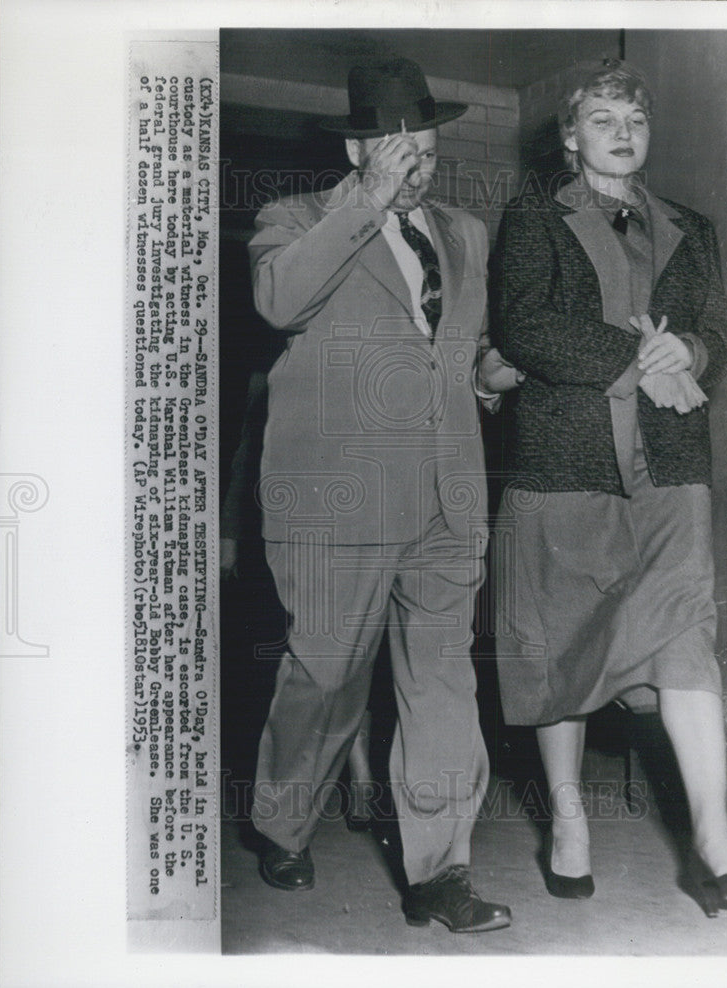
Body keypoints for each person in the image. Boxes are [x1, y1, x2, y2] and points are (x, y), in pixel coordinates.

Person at [482, 58, 727, 916]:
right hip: (566, 466)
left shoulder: (691, 225)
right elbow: (525, 325)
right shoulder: (534, 214)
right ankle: (567, 819)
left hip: (670, 468)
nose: (620, 134)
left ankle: (714, 845)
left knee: (685, 636)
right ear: (570, 137)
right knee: (561, 648)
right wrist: (637, 362)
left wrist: (697, 353)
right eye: (602, 119)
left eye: (633, 121)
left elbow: (715, 322)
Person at [246, 56, 511, 933]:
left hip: (446, 496)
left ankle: (441, 873)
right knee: (325, 677)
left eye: (429, 154)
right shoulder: (291, 220)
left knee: (441, 683)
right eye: (400, 152)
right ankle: (281, 822)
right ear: (361, 148)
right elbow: (281, 303)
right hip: (337, 499)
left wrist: (491, 373)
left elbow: (456, 349)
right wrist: (363, 201)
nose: (418, 170)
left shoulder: (465, 233)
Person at [220, 369, 374, 832]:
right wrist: (228, 532)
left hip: (370, 516)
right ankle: (297, 802)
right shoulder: (277, 365)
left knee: (362, 652)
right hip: (300, 525)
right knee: (318, 659)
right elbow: (250, 452)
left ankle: (360, 774)